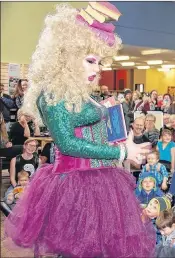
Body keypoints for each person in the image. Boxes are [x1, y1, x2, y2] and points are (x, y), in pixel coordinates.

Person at [4, 4, 155, 257]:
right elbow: (68, 144)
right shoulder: (52, 94)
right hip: (75, 184)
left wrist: (122, 145)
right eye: (90, 61)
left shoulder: (79, 94)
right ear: (66, 56)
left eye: (99, 62)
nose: (97, 70)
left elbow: (91, 129)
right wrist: (119, 151)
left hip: (102, 179)